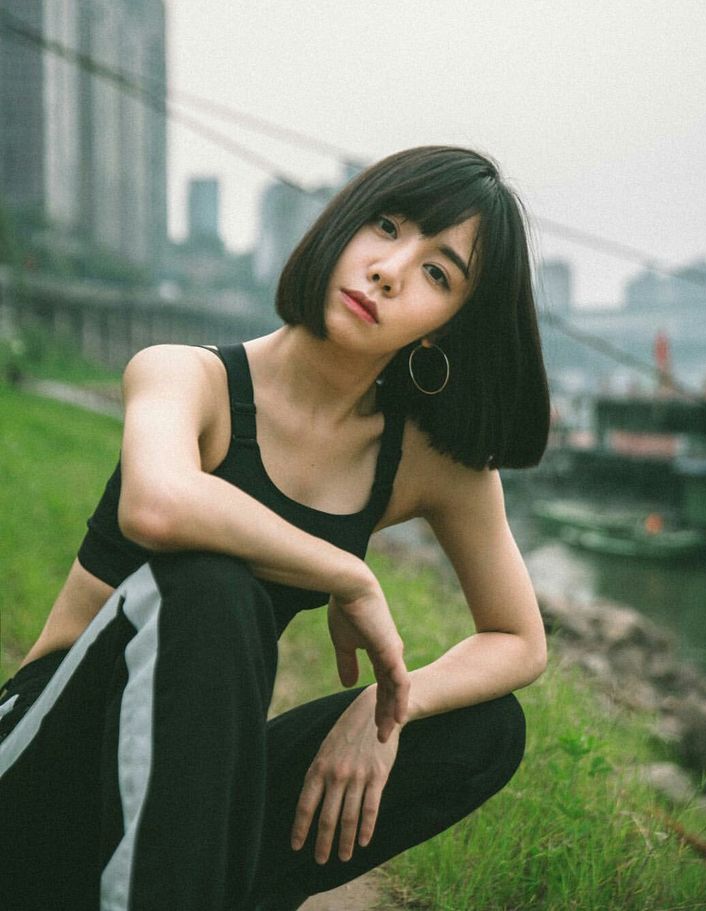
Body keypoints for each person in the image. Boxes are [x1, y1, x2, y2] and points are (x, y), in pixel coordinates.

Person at [0, 145, 550, 911]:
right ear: (342, 226)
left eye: (437, 272)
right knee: (208, 582)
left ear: (446, 326)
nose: (390, 268)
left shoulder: (425, 462)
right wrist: (348, 571)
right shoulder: (183, 374)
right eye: (386, 226)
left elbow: (519, 640)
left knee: (485, 729)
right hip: (40, 775)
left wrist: (390, 709)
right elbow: (158, 505)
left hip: (187, 786)